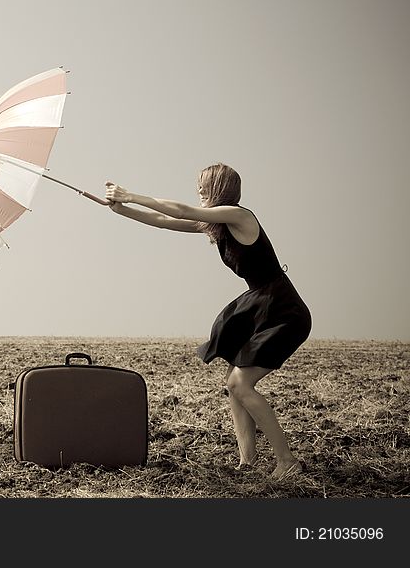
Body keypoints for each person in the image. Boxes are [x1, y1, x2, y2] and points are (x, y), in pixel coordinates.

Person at [104, 163, 312, 480]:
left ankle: (287, 462)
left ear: (220, 187)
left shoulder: (239, 216)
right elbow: (164, 221)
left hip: (284, 309)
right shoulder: (216, 225)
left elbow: (183, 210)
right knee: (234, 384)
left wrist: (130, 195)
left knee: (240, 384)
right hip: (262, 302)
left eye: (204, 184)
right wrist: (121, 210)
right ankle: (248, 462)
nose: (199, 189)